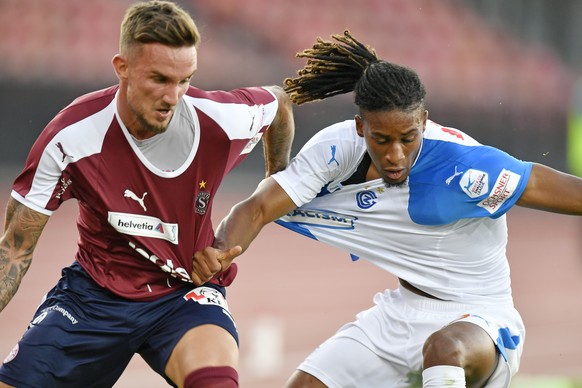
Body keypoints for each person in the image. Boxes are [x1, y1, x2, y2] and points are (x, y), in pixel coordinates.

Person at [192, 31, 582, 388]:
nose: (395, 154)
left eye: (408, 138)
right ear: (361, 127)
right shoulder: (335, 149)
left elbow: (541, 184)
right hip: (399, 315)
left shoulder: (462, 165)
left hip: (480, 319)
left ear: (423, 122)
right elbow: (258, 207)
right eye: (381, 139)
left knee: (443, 350)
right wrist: (216, 254)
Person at [0, 1, 294, 387]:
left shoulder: (221, 119)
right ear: (121, 68)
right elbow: (14, 251)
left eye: (184, 79)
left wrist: (275, 180)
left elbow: (280, 103)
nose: (174, 97)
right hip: (93, 298)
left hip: (184, 295)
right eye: (159, 79)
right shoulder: (71, 137)